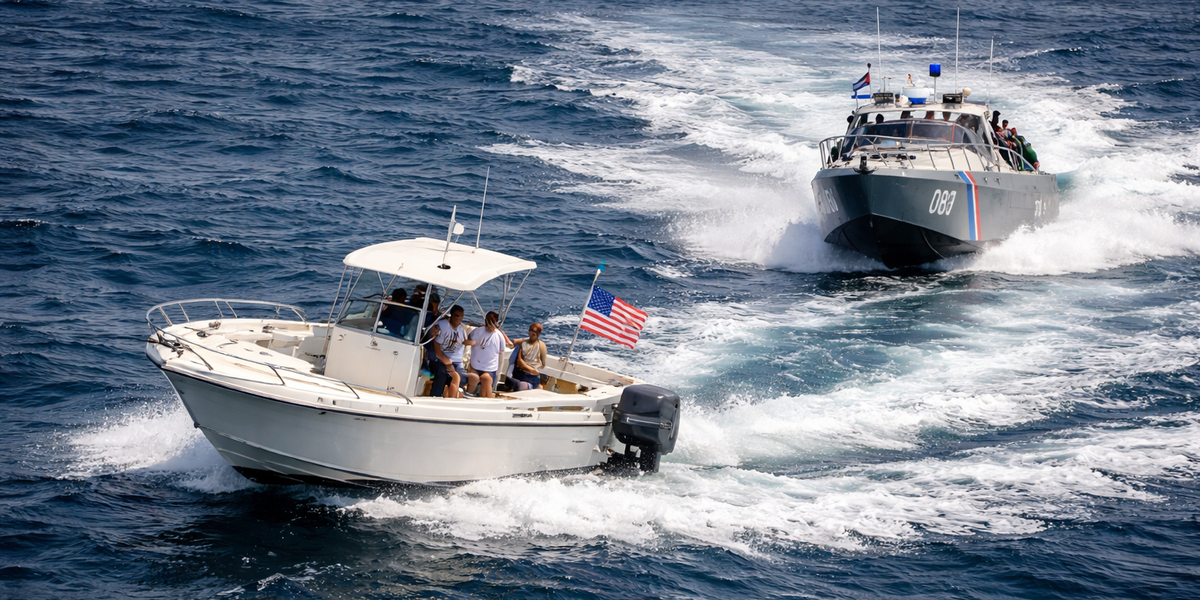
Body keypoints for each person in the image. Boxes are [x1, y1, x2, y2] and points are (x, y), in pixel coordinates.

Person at [430, 305, 472, 398]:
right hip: (441, 359)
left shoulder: (462, 330)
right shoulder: (443, 326)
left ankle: (454, 397)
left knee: (462, 378)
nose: (459, 319)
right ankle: (436, 396)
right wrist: (448, 363)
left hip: (456, 361)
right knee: (442, 373)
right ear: (452, 315)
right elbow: (437, 348)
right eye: (456, 316)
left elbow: (465, 341)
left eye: (461, 316)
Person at [466, 311, 509, 398]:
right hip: (475, 367)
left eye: (492, 323)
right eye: (488, 323)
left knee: (486, 378)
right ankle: (467, 396)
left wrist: (498, 373)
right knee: (472, 377)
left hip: (490, 370)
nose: (490, 326)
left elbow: (501, 355)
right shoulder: (476, 332)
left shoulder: (499, 336)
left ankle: (486, 399)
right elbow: (466, 342)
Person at [508, 322, 548, 391]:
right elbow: (510, 343)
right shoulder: (523, 342)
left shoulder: (541, 345)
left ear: (539, 334)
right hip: (523, 374)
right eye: (530, 331)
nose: (532, 334)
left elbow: (543, 363)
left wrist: (538, 372)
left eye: (534, 332)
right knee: (522, 386)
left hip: (534, 376)